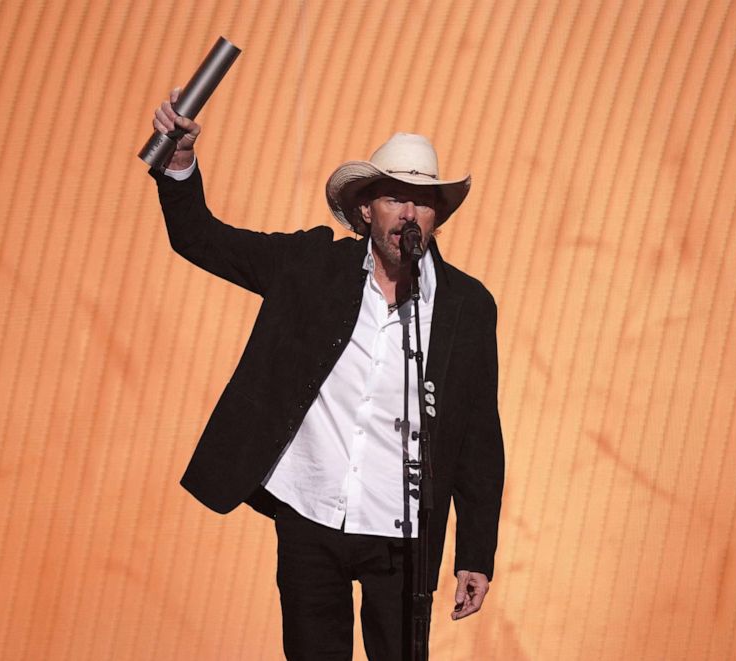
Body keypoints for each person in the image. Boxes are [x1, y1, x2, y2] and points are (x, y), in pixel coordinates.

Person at [150, 89, 504, 660]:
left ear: (438, 217)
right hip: (311, 515)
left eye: (423, 201)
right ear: (367, 211)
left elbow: (479, 436)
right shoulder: (311, 268)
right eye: (394, 198)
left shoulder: (467, 305)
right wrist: (179, 164)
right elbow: (200, 238)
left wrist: (476, 553)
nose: (409, 214)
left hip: (404, 534)